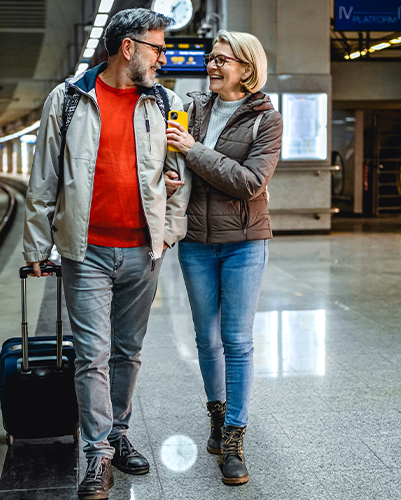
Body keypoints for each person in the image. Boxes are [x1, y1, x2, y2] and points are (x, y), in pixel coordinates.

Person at [23, 8, 190, 500]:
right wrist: (37, 245)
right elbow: (43, 179)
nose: (163, 57)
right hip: (86, 251)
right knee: (91, 355)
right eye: (157, 48)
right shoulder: (69, 100)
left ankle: (118, 432)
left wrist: (170, 232)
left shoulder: (165, 103)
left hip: (143, 250)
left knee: (128, 351)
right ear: (128, 47)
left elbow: (179, 175)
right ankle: (98, 454)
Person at [164, 30, 282, 486]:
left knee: (236, 338)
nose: (211, 66)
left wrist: (193, 152)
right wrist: (172, 174)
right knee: (205, 338)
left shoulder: (266, 120)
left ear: (247, 68)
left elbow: (252, 183)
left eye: (222, 60)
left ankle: (234, 435)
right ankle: (216, 416)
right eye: (211, 59)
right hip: (195, 240)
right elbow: (173, 164)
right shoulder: (194, 109)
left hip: (244, 241)